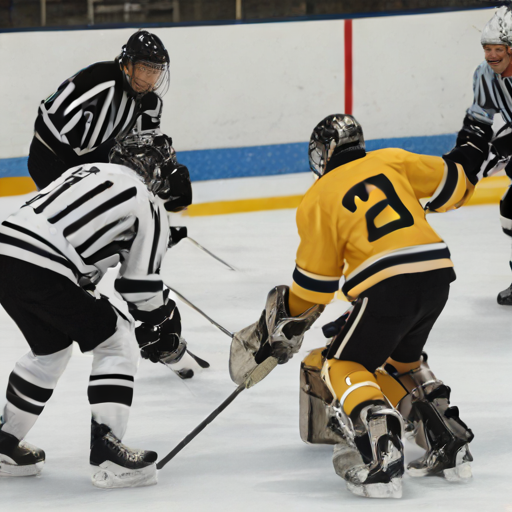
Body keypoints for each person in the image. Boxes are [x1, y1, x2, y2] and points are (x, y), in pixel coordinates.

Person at [229, 114, 479, 499]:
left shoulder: (318, 197)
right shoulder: (391, 160)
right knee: (401, 363)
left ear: (326, 152)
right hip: (436, 272)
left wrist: (286, 323)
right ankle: (445, 434)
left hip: (386, 285)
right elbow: (456, 184)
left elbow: (315, 287)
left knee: (344, 365)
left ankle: (381, 450)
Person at [0, 132, 193, 487]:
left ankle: (4, 442)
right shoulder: (147, 201)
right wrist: (160, 319)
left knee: (50, 350)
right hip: (45, 265)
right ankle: (108, 450)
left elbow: (76, 230)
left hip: (6, 252)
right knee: (117, 338)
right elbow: (139, 286)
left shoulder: (85, 170)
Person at [28, 29, 170, 190]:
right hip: (49, 159)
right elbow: (48, 120)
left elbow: (146, 143)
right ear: (127, 65)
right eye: (143, 69)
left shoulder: (149, 102)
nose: (148, 80)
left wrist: (167, 174)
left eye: (154, 72)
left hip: (87, 166)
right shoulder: (100, 80)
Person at [447, 5, 512, 304]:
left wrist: (504, 146)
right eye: (487, 49)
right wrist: (461, 165)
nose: (491, 56)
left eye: (498, 49)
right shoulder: (485, 75)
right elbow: (478, 124)